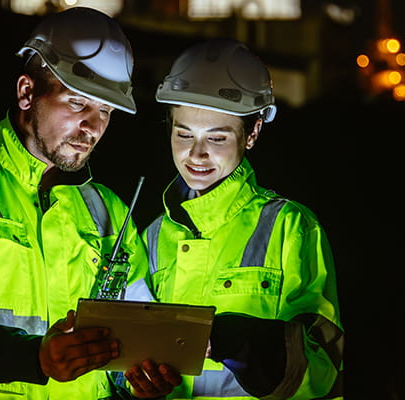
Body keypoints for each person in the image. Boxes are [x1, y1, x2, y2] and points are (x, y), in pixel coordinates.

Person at [0, 7, 179, 399]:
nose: (93, 127)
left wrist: (139, 379)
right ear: (27, 92)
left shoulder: (111, 213)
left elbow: (129, 344)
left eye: (106, 111)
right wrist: (35, 358)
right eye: (79, 103)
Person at [127, 38, 344, 399]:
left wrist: (235, 342)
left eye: (217, 137)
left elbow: (322, 369)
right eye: (183, 134)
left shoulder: (291, 227)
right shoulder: (151, 236)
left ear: (252, 134)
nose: (196, 154)